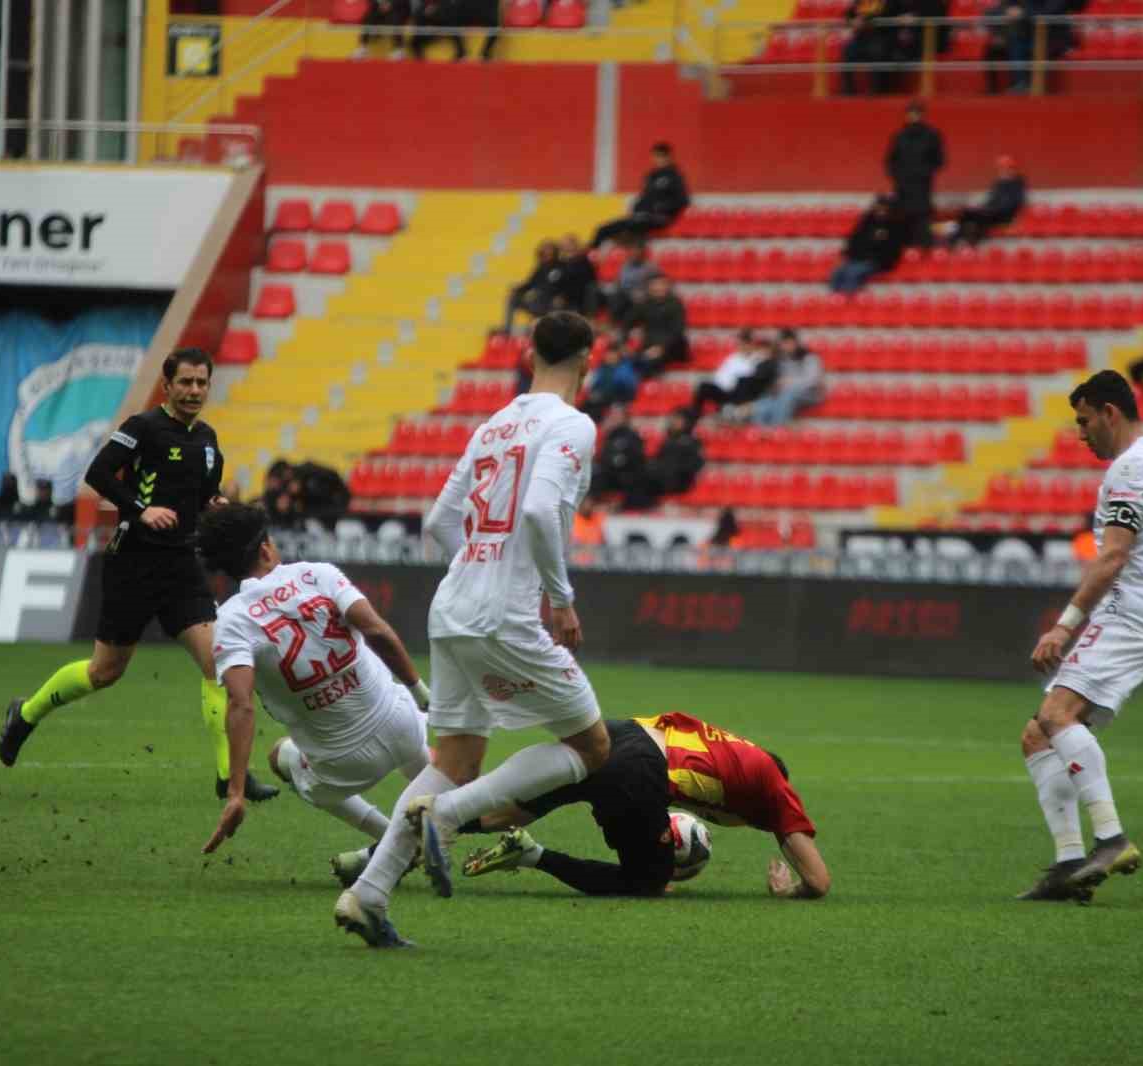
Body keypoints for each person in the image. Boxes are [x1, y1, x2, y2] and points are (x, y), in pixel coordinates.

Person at [334, 311, 610, 949]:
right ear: (588, 360)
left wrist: (479, 565)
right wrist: (559, 599)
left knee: (455, 758)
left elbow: (439, 521)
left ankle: (369, 894)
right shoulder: (572, 425)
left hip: (452, 603)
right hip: (504, 613)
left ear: (527, 352)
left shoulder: (494, 424)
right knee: (592, 747)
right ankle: (450, 815)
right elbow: (540, 509)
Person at [0, 349, 279, 803]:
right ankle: (24, 715)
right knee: (104, 671)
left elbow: (204, 496)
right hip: (133, 561)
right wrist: (141, 510)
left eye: (201, 383)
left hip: (182, 565)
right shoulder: (142, 428)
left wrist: (216, 507)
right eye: (185, 383)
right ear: (167, 386)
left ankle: (230, 778)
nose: (193, 391)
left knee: (218, 664)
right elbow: (98, 474)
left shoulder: (208, 441)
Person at [1019, 370, 1143, 902]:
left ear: (1109, 412)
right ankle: (1070, 868)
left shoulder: (1129, 470)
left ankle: (1112, 838)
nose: (1081, 434)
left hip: (1126, 615)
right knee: (1039, 735)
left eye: (1084, 421)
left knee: (1056, 716)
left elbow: (1113, 557)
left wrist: (1064, 624)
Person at [196, 504, 435, 862]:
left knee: (279, 755)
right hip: (406, 730)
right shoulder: (316, 574)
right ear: (265, 548)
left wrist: (235, 793)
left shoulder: (230, 619)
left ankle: (392, 841)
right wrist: (422, 695)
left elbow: (240, 704)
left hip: (342, 768)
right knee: (399, 717)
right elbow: (377, 631)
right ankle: (445, 801)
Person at [456, 712, 829, 899]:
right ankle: (530, 854)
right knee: (646, 882)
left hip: (622, 732)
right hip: (639, 769)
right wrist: (788, 890)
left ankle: (424, 824)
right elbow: (818, 882)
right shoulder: (775, 788)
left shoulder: (734, 753)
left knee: (509, 812)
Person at [590, 143, 691, 248]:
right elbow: (644, 197)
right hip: (642, 216)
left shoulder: (675, 176)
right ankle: (589, 256)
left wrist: (661, 208)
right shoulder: (651, 176)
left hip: (661, 218)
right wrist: (637, 208)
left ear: (669, 157)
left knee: (633, 228)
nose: (659, 159)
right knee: (602, 229)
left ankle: (631, 248)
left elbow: (683, 200)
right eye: (656, 156)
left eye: (662, 156)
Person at [884, 101, 945, 248]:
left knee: (922, 216)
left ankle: (924, 247)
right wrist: (897, 175)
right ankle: (903, 245)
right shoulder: (899, 136)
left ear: (923, 116)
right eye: (911, 114)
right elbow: (890, 160)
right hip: (902, 185)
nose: (914, 117)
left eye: (917, 114)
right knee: (902, 215)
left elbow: (939, 160)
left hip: (922, 185)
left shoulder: (932, 136)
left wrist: (925, 172)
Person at [830, 195, 907, 294]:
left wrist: (878, 246)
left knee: (852, 273)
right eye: (878, 208)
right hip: (857, 258)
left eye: (883, 208)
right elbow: (854, 241)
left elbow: (892, 251)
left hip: (876, 261)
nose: (880, 211)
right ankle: (835, 300)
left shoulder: (894, 227)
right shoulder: (866, 222)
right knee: (837, 273)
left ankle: (848, 301)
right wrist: (849, 254)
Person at [622, 273, 689, 376]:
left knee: (649, 363)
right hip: (649, 345)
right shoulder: (644, 304)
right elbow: (627, 322)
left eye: (661, 284)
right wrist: (625, 343)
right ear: (649, 287)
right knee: (627, 360)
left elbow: (678, 331)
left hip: (672, 347)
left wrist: (661, 348)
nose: (658, 288)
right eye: (655, 285)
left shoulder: (675, 304)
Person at [950, 155, 1026, 245]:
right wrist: (983, 207)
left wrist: (991, 208)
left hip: (1004, 215)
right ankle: (959, 240)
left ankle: (958, 241)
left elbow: (1014, 203)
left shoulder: (1017, 183)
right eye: (1001, 167)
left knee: (975, 217)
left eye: (1005, 167)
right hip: (991, 212)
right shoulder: (998, 183)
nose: (1003, 170)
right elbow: (991, 200)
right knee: (966, 215)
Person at [753, 330, 825, 426]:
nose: (786, 346)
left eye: (788, 343)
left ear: (795, 342)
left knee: (787, 396)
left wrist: (791, 382)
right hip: (785, 392)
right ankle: (759, 435)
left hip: (810, 393)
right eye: (783, 343)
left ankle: (777, 430)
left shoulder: (809, 357)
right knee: (762, 403)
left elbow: (812, 380)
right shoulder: (782, 359)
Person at [692, 329, 768, 415]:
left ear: (750, 345)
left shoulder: (756, 359)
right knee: (703, 386)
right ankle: (695, 413)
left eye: (745, 344)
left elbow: (750, 376)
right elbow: (720, 375)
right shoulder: (732, 358)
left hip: (738, 391)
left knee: (742, 382)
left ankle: (727, 410)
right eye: (740, 344)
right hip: (723, 389)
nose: (742, 347)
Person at [589, 403, 648, 506]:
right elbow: (604, 456)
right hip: (609, 472)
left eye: (617, 416)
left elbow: (636, 459)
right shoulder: (610, 435)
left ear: (625, 418)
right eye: (612, 416)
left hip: (626, 474)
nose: (613, 418)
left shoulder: (632, 436)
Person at [646, 407, 706, 502]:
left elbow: (695, 465)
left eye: (678, 419)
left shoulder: (692, 443)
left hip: (679, 482)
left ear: (687, 422)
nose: (674, 422)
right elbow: (658, 459)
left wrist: (673, 469)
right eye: (673, 419)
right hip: (661, 479)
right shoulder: (668, 441)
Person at [501, 240, 560, 334]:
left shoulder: (560, 267)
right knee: (512, 298)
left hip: (550, 303)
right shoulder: (540, 268)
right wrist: (516, 289)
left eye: (548, 250)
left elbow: (558, 287)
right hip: (536, 301)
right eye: (544, 251)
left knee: (536, 295)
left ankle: (533, 328)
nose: (546, 253)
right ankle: (506, 330)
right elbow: (529, 284)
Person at [839, 0, 892, 97]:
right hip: (860, 39)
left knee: (876, 51)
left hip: (879, 37)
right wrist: (852, 21)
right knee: (847, 51)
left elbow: (886, 14)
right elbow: (848, 15)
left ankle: (875, 90)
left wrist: (865, 19)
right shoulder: (860, 1)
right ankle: (848, 90)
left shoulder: (885, 2)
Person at [604, 240, 660, 322]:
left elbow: (656, 285)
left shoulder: (650, 267)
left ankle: (623, 327)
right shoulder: (625, 266)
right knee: (612, 295)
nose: (634, 253)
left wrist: (644, 293)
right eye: (632, 251)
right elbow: (619, 282)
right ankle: (611, 322)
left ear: (642, 252)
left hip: (641, 295)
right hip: (625, 293)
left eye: (637, 251)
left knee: (635, 302)